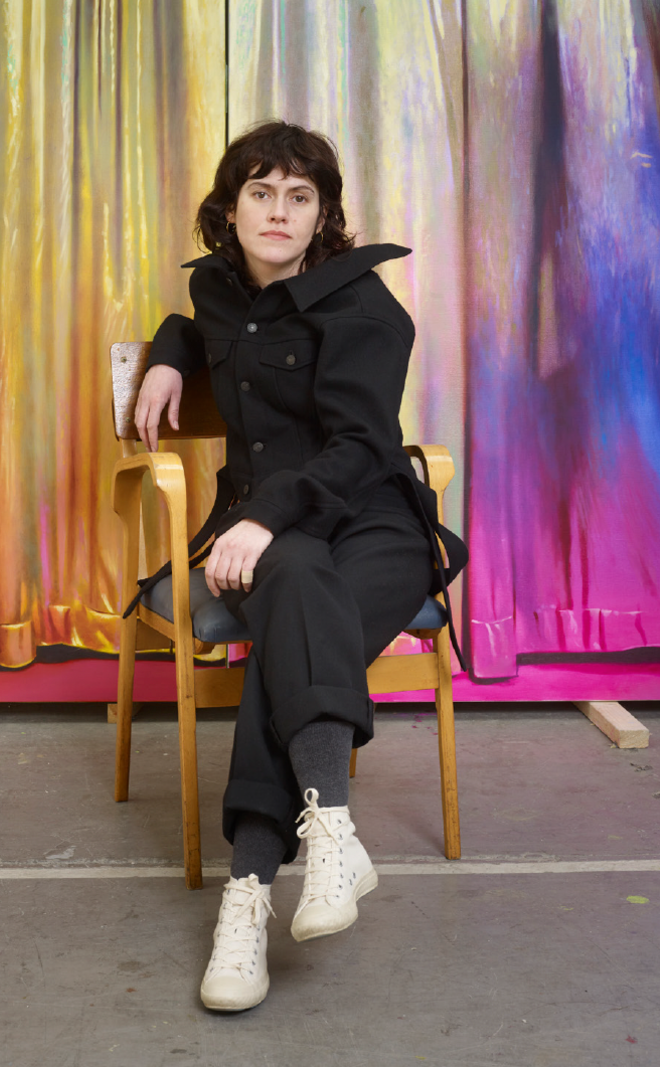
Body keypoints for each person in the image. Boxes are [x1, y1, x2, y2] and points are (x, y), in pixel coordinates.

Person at [131, 121, 467, 1012]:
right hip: (281, 539)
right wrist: (168, 353)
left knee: (288, 619)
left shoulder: (365, 306)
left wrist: (262, 517)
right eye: (260, 192)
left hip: (375, 525)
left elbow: (361, 446)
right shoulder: (215, 288)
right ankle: (332, 834)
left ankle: (245, 896)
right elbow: (200, 319)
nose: (278, 211)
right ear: (230, 208)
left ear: (323, 216)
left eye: (300, 196)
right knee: (293, 584)